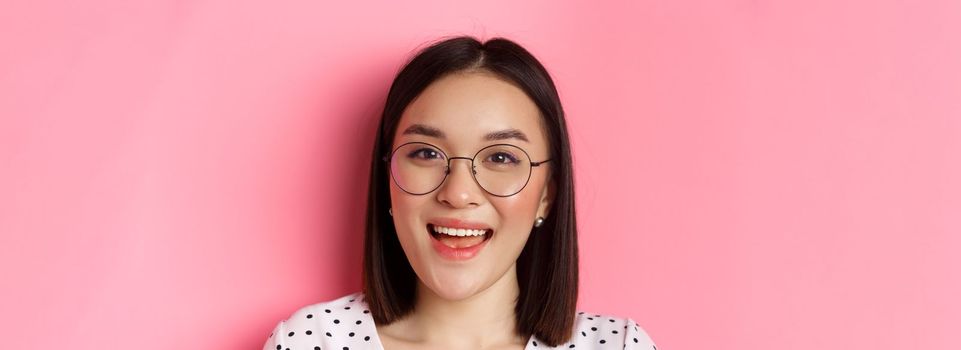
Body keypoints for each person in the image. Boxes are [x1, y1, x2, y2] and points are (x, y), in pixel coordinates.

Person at [262, 36, 656, 350]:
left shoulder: (618, 346)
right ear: (388, 181)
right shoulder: (312, 341)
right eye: (427, 153)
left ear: (547, 196)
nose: (459, 192)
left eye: (501, 157)